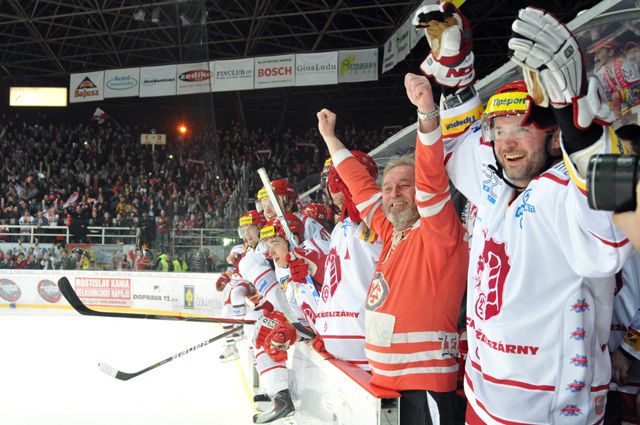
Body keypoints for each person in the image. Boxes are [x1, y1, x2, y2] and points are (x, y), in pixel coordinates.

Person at [417, 5, 633, 423]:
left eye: (522, 128)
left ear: (554, 137)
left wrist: (586, 136)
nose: (508, 142)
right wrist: (455, 74)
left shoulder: (567, 191)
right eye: (499, 129)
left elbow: (616, 233)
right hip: (481, 401)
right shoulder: (497, 186)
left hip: (551, 414)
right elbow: (460, 146)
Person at [317, 62, 468, 425]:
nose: (393, 194)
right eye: (388, 188)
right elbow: (360, 187)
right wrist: (331, 140)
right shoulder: (391, 231)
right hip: (385, 382)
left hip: (424, 384)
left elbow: (431, 178)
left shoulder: (439, 230)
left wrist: (427, 115)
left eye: (404, 186)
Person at [313, 154, 382, 369]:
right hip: (337, 340)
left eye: (337, 177)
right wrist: (322, 327)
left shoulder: (375, 220)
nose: (331, 184)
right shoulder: (339, 229)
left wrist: (362, 210)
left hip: (366, 343)